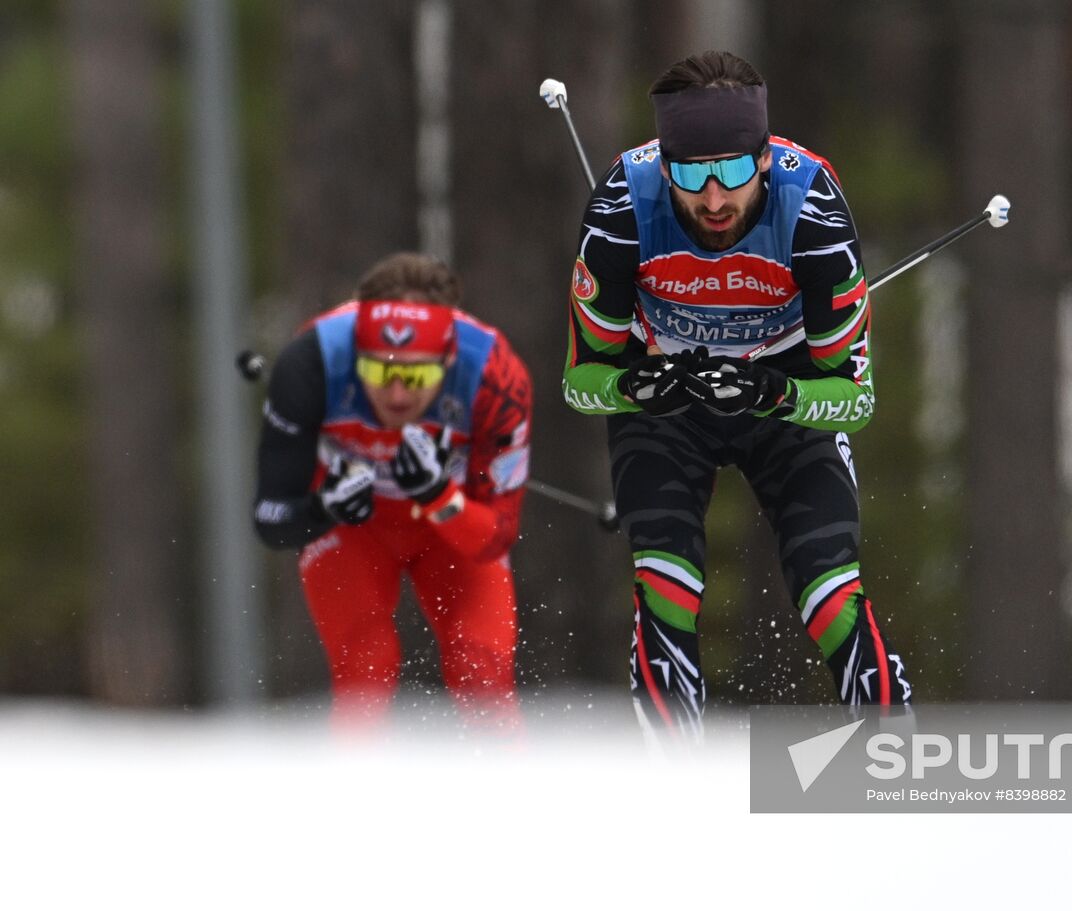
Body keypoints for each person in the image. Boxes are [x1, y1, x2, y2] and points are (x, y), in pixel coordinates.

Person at [563, 50, 912, 736]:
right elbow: (581, 383)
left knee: (827, 585)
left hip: (785, 387)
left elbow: (854, 396)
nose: (715, 198)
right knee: (665, 578)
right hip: (666, 394)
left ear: (763, 160)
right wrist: (637, 384)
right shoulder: (619, 209)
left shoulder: (813, 213)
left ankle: (895, 747)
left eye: (732, 172)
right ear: (665, 168)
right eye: (693, 174)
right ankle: (673, 769)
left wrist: (771, 393)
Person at [253, 252, 532, 727]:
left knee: (479, 664)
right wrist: (325, 507)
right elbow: (271, 521)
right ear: (357, 354)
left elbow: (496, 535)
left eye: (418, 377)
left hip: (449, 531)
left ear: (447, 360)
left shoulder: (494, 376)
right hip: (357, 532)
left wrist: (438, 496)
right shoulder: (309, 363)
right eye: (379, 373)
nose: (398, 395)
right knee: (365, 666)